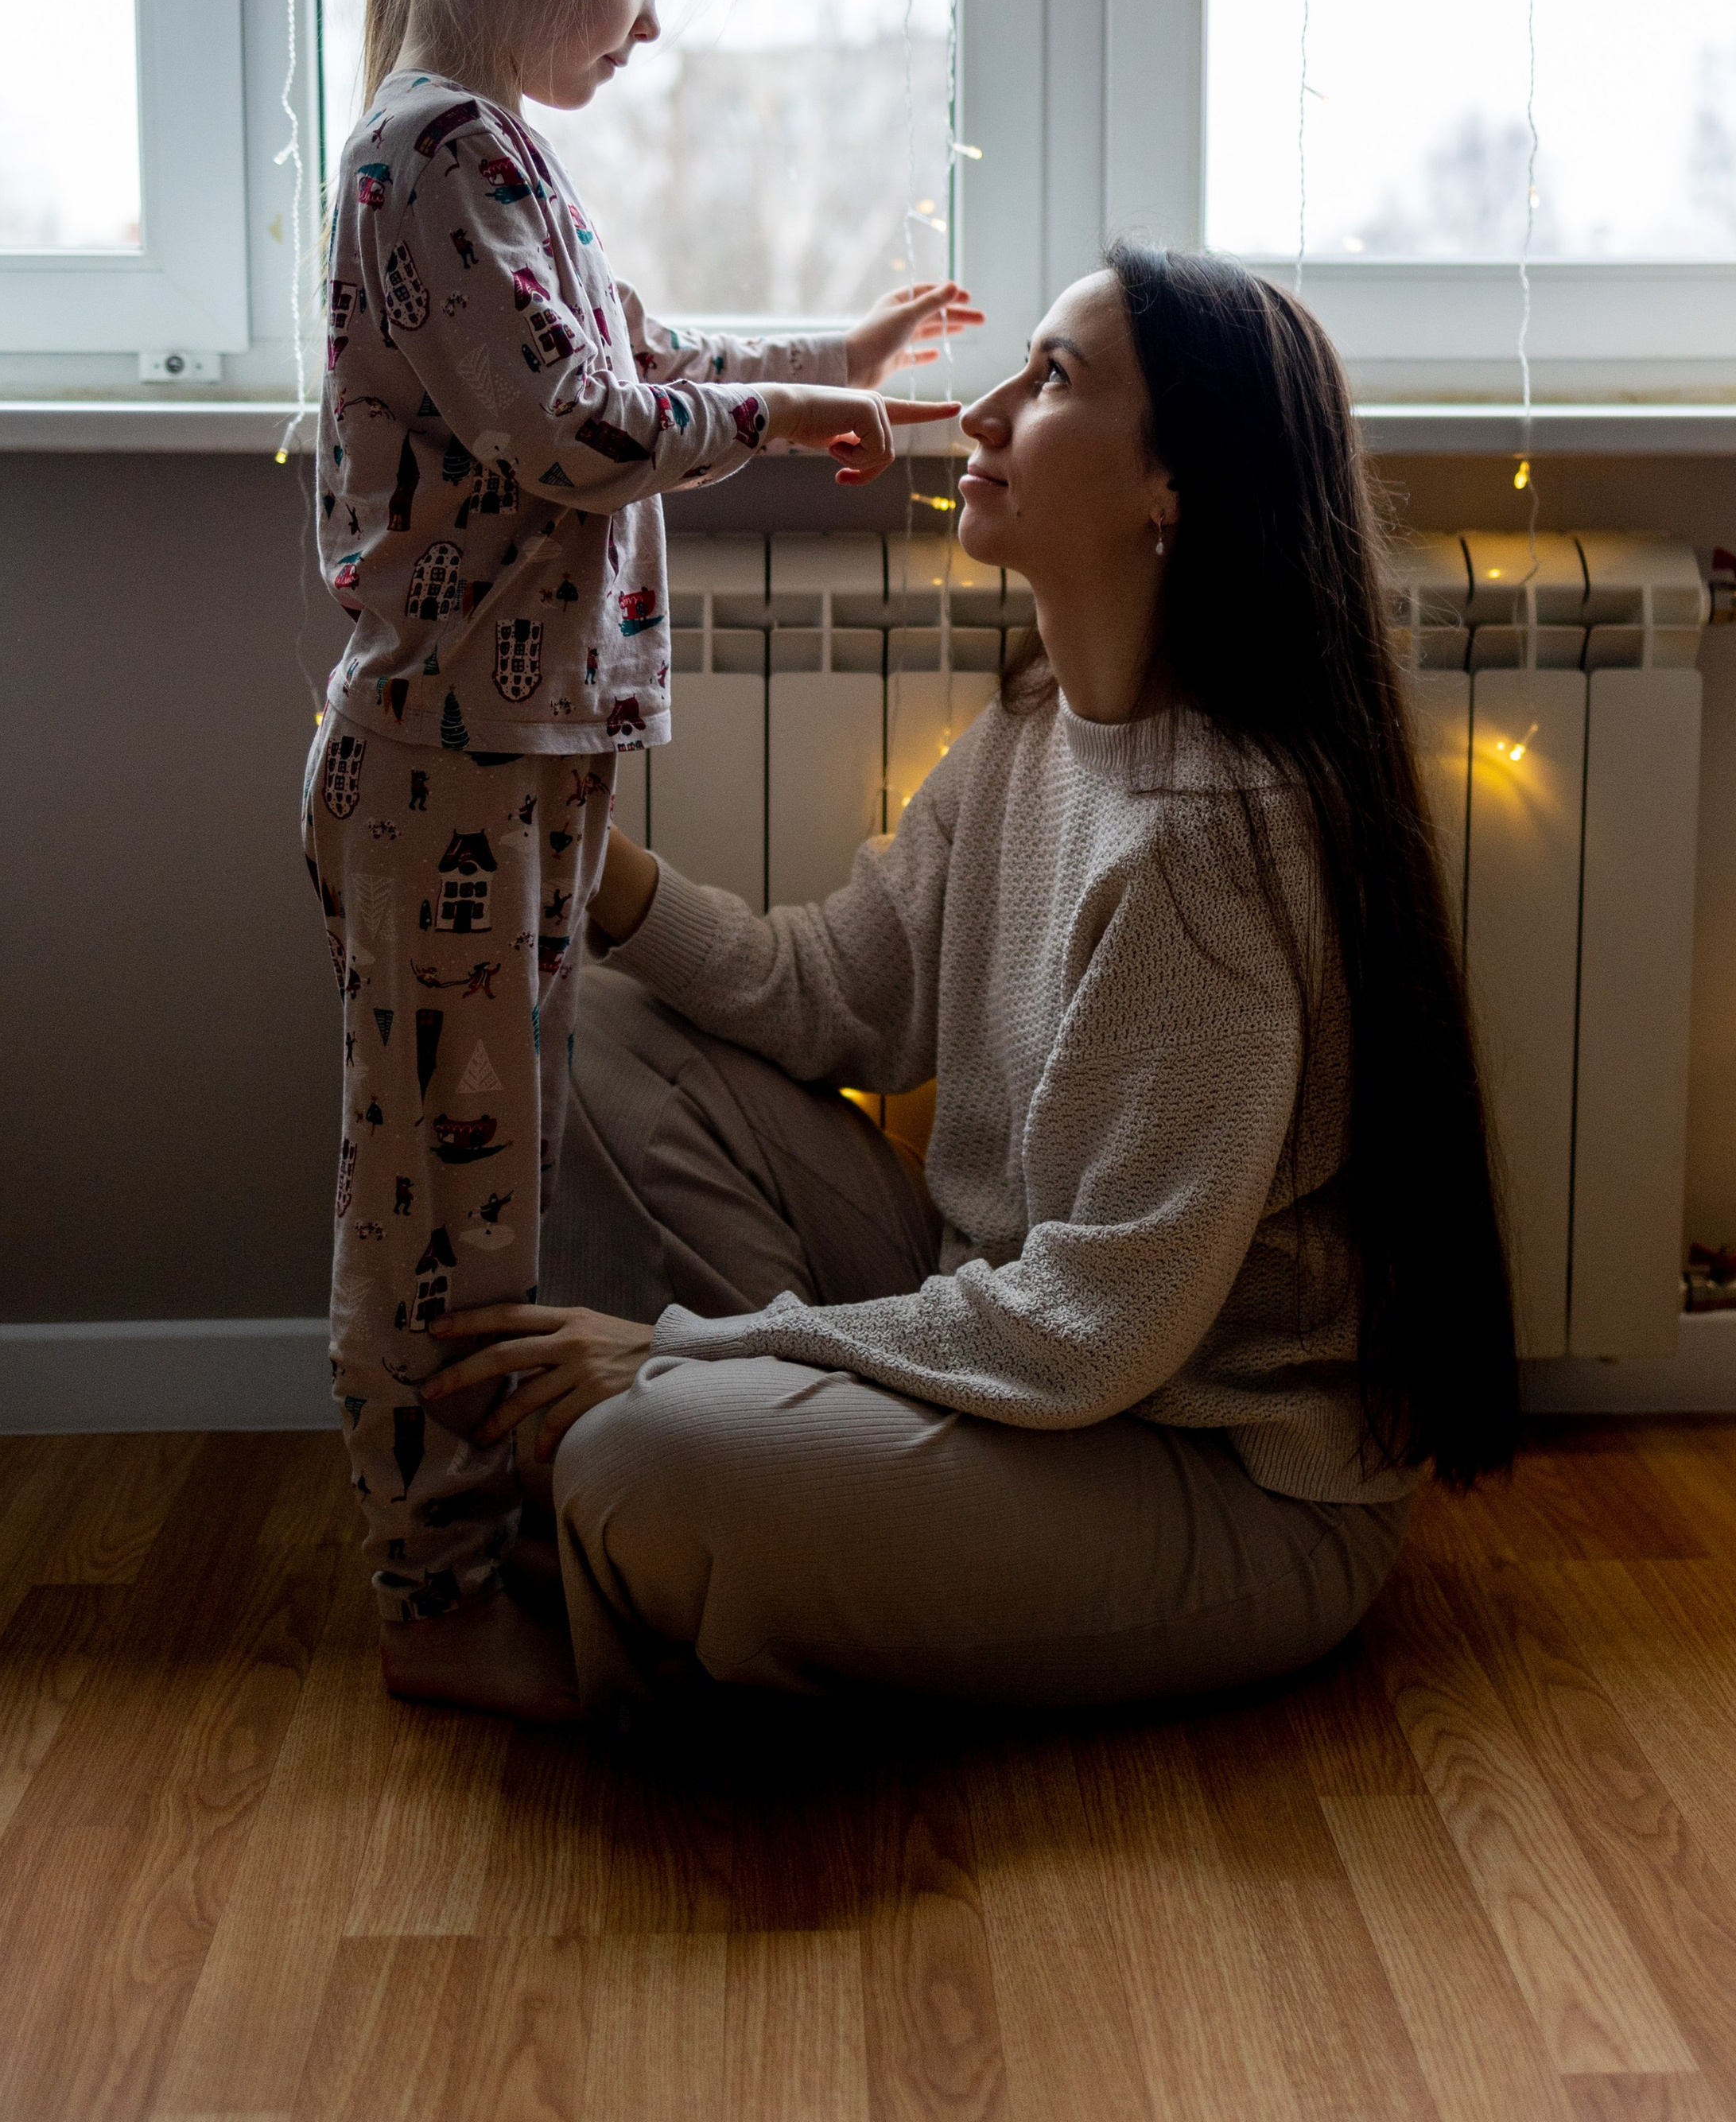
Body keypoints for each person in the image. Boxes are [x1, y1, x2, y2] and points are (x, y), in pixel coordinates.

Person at [425, 243, 1520, 1719]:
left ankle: (703, 1483)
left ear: (1170, 490)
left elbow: (1093, 1328)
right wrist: (592, 865)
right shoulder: (1031, 734)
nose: (985, 413)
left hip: (1202, 1469)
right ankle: (740, 1465)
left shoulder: (1208, 846)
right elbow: (831, 997)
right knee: (603, 1020)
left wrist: (693, 1353)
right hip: (1008, 1332)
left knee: (642, 1462)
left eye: (1053, 378)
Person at [302, 0, 975, 1717]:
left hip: (507, 770)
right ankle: (436, 1603)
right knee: (441, 1205)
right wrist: (777, 413)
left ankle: (469, 1544)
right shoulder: (439, 160)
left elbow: (631, 343)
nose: (653, 19)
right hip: (447, 770)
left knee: (482, 1184)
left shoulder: (495, 160)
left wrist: (819, 369)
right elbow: (581, 421)